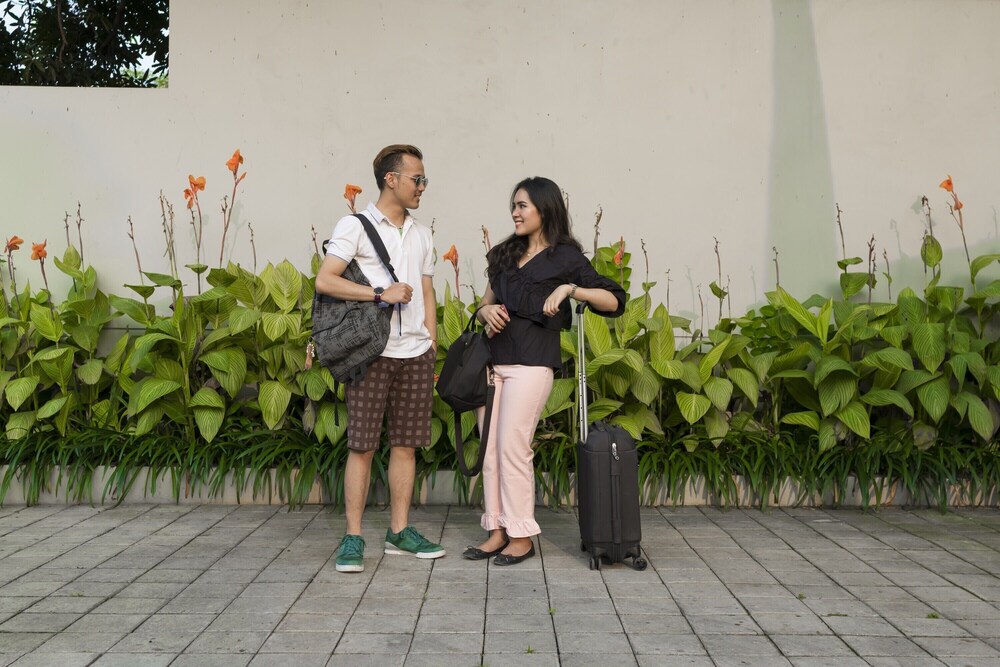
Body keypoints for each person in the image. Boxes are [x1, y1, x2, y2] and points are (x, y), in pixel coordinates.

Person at [462, 176, 626, 566]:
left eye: (522, 206)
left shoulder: (566, 258)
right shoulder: (505, 254)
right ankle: (496, 530)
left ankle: (521, 536)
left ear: (544, 208)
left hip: (532, 365)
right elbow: (483, 304)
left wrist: (570, 290)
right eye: (513, 206)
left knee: (513, 448)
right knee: (489, 451)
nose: (515, 213)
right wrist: (485, 311)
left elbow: (614, 300)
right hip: (492, 365)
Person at [315, 144, 445, 573]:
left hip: (416, 354)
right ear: (391, 179)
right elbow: (325, 280)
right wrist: (377, 294)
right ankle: (353, 537)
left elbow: (426, 289)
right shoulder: (355, 226)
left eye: (424, 180)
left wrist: (431, 342)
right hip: (372, 351)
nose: (422, 186)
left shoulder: (422, 233)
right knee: (363, 447)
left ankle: (399, 532)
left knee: (405, 446)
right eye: (417, 179)